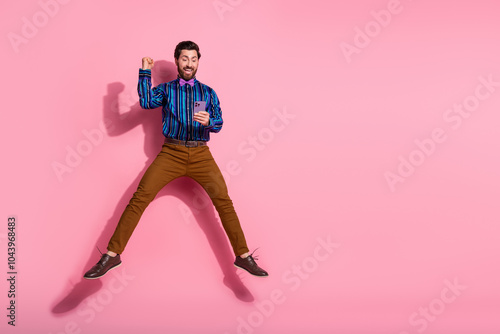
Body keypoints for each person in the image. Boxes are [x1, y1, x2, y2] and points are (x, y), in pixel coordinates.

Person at [84, 41, 268, 279]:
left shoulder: (208, 92)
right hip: (171, 153)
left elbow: (219, 123)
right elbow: (146, 102)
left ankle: (243, 257)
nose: (189, 63)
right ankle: (112, 254)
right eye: (184, 59)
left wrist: (208, 122)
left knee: (223, 202)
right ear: (177, 61)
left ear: (198, 62)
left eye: (193, 59)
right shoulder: (166, 90)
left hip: (201, 154)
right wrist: (144, 72)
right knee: (138, 200)